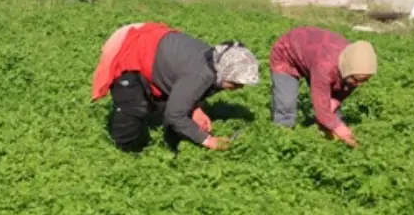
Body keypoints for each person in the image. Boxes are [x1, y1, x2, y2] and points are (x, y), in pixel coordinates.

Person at [91, 21, 260, 151]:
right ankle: (124, 152)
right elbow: (175, 114)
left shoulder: (215, 62)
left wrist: (196, 110)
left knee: (165, 106)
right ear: (226, 72)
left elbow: (184, 85)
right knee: (134, 107)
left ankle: (168, 142)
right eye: (236, 83)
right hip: (129, 47)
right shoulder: (201, 75)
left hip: (153, 47)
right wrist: (208, 141)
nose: (238, 88)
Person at [269, 26, 377, 148]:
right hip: (287, 54)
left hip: (313, 58)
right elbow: (321, 104)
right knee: (286, 104)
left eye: (365, 80)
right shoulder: (325, 66)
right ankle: (283, 142)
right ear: (347, 70)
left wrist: (334, 103)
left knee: (332, 113)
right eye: (357, 80)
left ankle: (330, 143)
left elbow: (341, 92)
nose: (359, 85)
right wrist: (338, 127)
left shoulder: (355, 64)